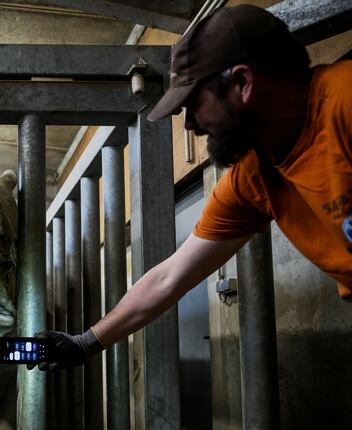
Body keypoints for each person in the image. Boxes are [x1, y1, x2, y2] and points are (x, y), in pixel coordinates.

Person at [39, 4, 352, 369]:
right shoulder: (253, 178)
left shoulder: (343, 103)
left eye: (194, 104)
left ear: (242, 83)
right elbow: (170, 276)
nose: (190, 126)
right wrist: (85, 343)